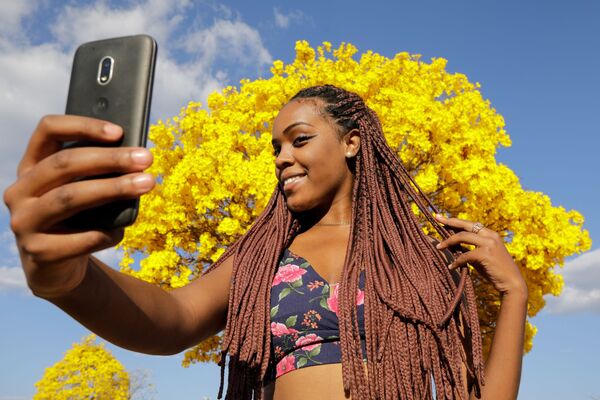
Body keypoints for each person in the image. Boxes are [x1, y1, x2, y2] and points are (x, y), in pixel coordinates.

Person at [4, 84, 528, 400]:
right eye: (276, 146)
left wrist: (514, 296)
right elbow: (172, 320)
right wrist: (70, 279)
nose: (281, 156)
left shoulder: (420, 259)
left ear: (352, 143)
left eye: (299, 139)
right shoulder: (263, 259)